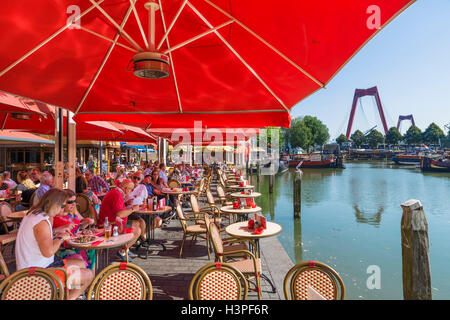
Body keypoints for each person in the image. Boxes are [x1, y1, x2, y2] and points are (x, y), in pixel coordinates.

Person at [15, 188, 94, 300]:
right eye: (62, 206)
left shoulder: (34, 214)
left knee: (80, 263)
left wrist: (57, 231)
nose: (63, 209)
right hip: (37, 274)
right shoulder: (42, 222)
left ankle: (61, 294)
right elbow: (48, 252)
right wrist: (61, 238)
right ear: (54, 204)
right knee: (88, 274)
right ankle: (67, 297)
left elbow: (39, 237)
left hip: (36, 265)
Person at [97, 179, 141, 262]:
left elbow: (119, 210)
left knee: (138, 223)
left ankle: (126, 249)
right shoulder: (117, 195)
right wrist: (133, 208)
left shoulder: (116, 192)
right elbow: (119, 214)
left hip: (114, 222)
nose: (131, 191)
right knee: (137, 230)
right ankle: (122, 252)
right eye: (131, 189)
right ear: (125, 188)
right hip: (109, 226)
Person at [53, 189, 96, 270]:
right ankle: (87, 276)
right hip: (63, 248)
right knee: (83, 256)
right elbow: (51, 234)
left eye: (74, 201)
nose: (73, 204)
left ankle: (91, 278)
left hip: (77, 244)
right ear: (62, 203)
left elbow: (80, 225)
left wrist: (87, 222)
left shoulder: (73, 212)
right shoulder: (53, 216)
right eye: (70, 202)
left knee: (92, 249)